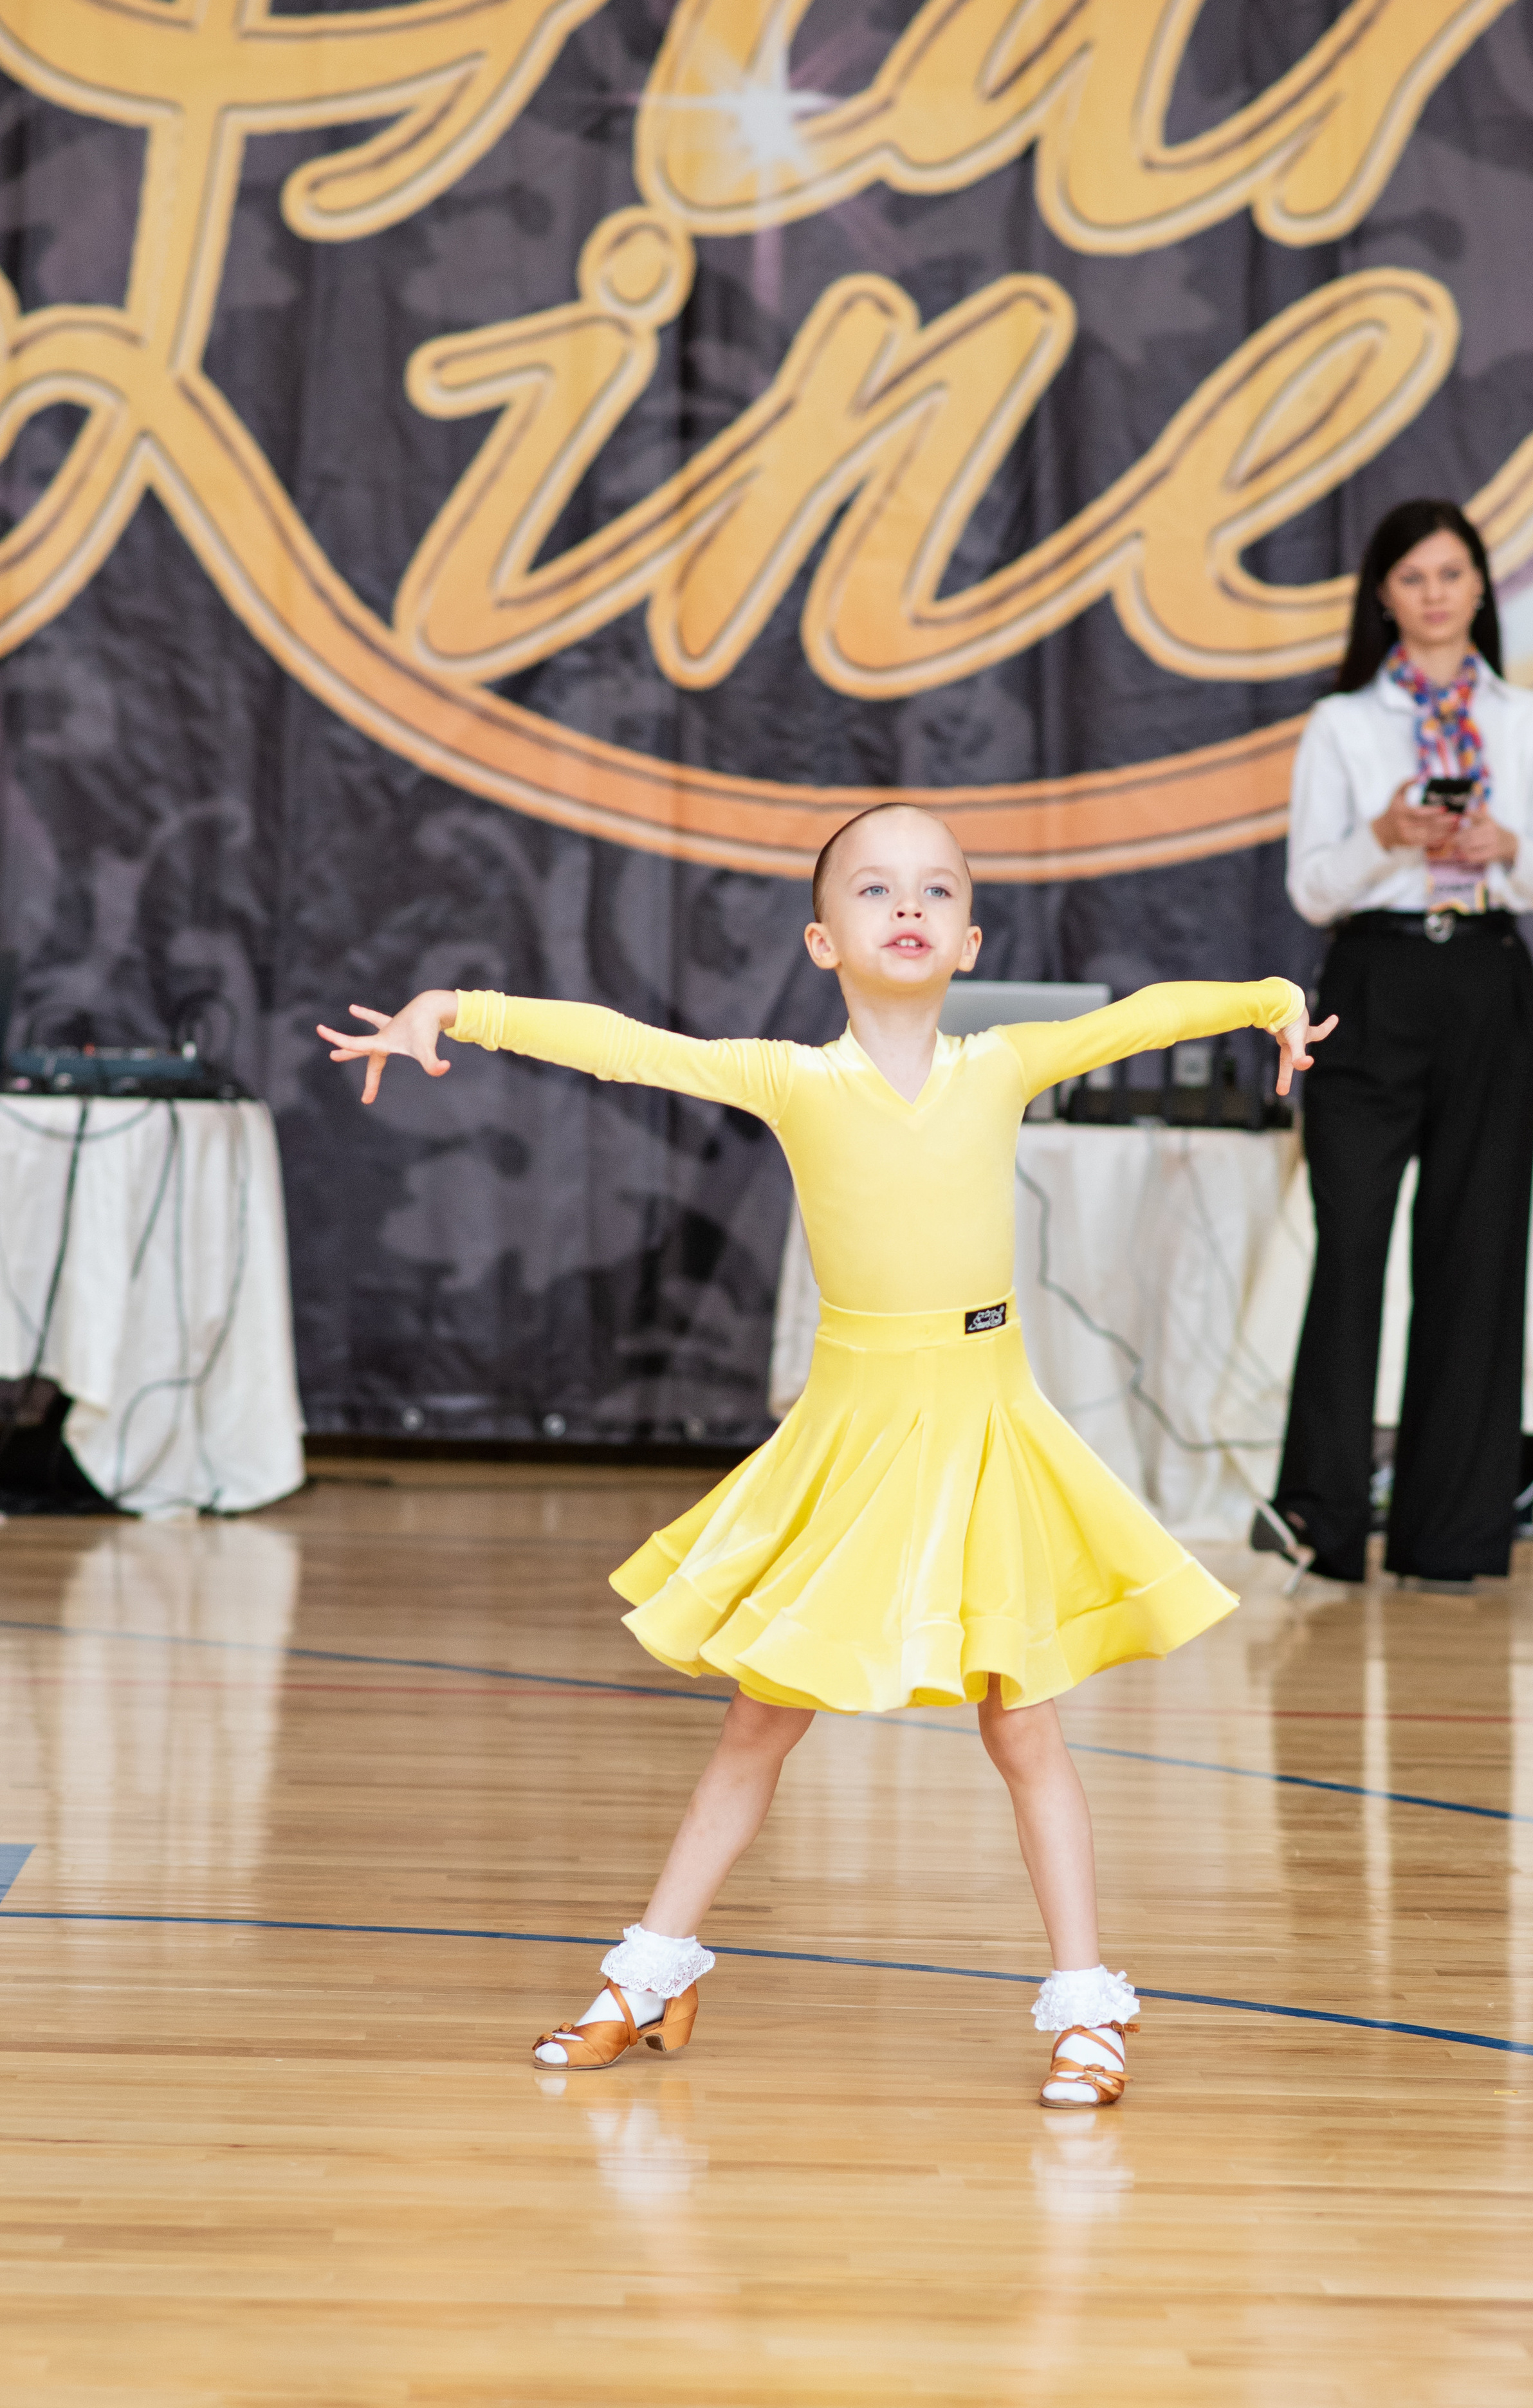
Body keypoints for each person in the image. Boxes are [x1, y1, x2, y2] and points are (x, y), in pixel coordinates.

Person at [320, 805, 1329, 2106]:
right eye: (870, 888)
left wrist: (1264, 997)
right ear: (820, 937)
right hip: (849, 1442)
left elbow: (1137, 1017)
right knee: (758, 1718)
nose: (903, 905)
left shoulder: (1003, 1061)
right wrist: (452, 1009)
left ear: (969, 937)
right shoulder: (794, 1079)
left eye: (932, 889)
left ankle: (1087, 2010)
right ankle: (649, 1971)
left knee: (1021, 1723)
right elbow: (631, 1051)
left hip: (982, 1430)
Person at [1276, 499, 1533, 1589]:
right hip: (1374, 974)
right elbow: (1309, 887)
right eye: (1413, 577)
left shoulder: (1532, 724)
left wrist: (1501, 844)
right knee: (1351, 1244)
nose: (1435, 594)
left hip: (1486, 976)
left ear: (1480, 588)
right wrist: (1385, 834)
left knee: (1475, 1251)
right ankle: (1320, 1523)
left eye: (1452, 573)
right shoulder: (1343, 725)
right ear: (1383, 596)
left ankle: (1450, 1535)